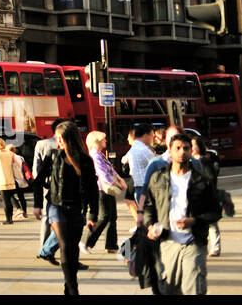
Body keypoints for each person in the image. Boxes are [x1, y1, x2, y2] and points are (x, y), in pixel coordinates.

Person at [143, 131, 222, 295]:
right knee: (168, 289)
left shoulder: (202, 180)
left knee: (194, 287)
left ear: (191, 151)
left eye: (186, 148)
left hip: (194, 241)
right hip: (167, 242)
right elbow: (149, 206)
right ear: (169, 150)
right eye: (177, 148)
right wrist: (150, 225)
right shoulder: (158, 178)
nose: (182, 152)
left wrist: (194, 221)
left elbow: (215, 211)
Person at [45, 120, 97, 294]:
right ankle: (74, 289)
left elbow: (92, 189)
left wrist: (92, 215)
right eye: (56, 138)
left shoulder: (85, 160)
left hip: (76, 209)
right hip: (56, 207)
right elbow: (40, 180)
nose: (58, 141)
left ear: (70, 138)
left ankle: (68, 287)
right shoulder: (53, 156)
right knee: (65, 246)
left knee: (73, 249)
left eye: (61, 138)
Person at [84, 130, 127, 255]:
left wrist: (120, 179)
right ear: (96, 141)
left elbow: (111, 171)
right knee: (104, 217)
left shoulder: (100, 154)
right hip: (101, 189)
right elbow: (104, 175)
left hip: (107, 189)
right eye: (103, 139)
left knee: (112, 217)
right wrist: (118, 183)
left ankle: (111, 245)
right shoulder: (95, 155)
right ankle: (86, 242)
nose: (106, 141)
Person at [0, 137, 28, 223]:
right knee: (9, 199)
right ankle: (11, 219)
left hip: (2, 180)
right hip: (11, 179)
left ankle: (8, 219)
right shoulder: (10, 153)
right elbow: (16, 164)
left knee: (5, 201)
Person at [125, 123, 155, 213]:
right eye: (152, 135)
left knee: (146, 215)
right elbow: (156, 166)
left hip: (138, 188)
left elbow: (123, 160)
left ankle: (142, 226)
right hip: (146, 189)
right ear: (146, 135)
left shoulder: (134, 148)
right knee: (150, 215)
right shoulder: (144, 150)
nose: (153, 138)